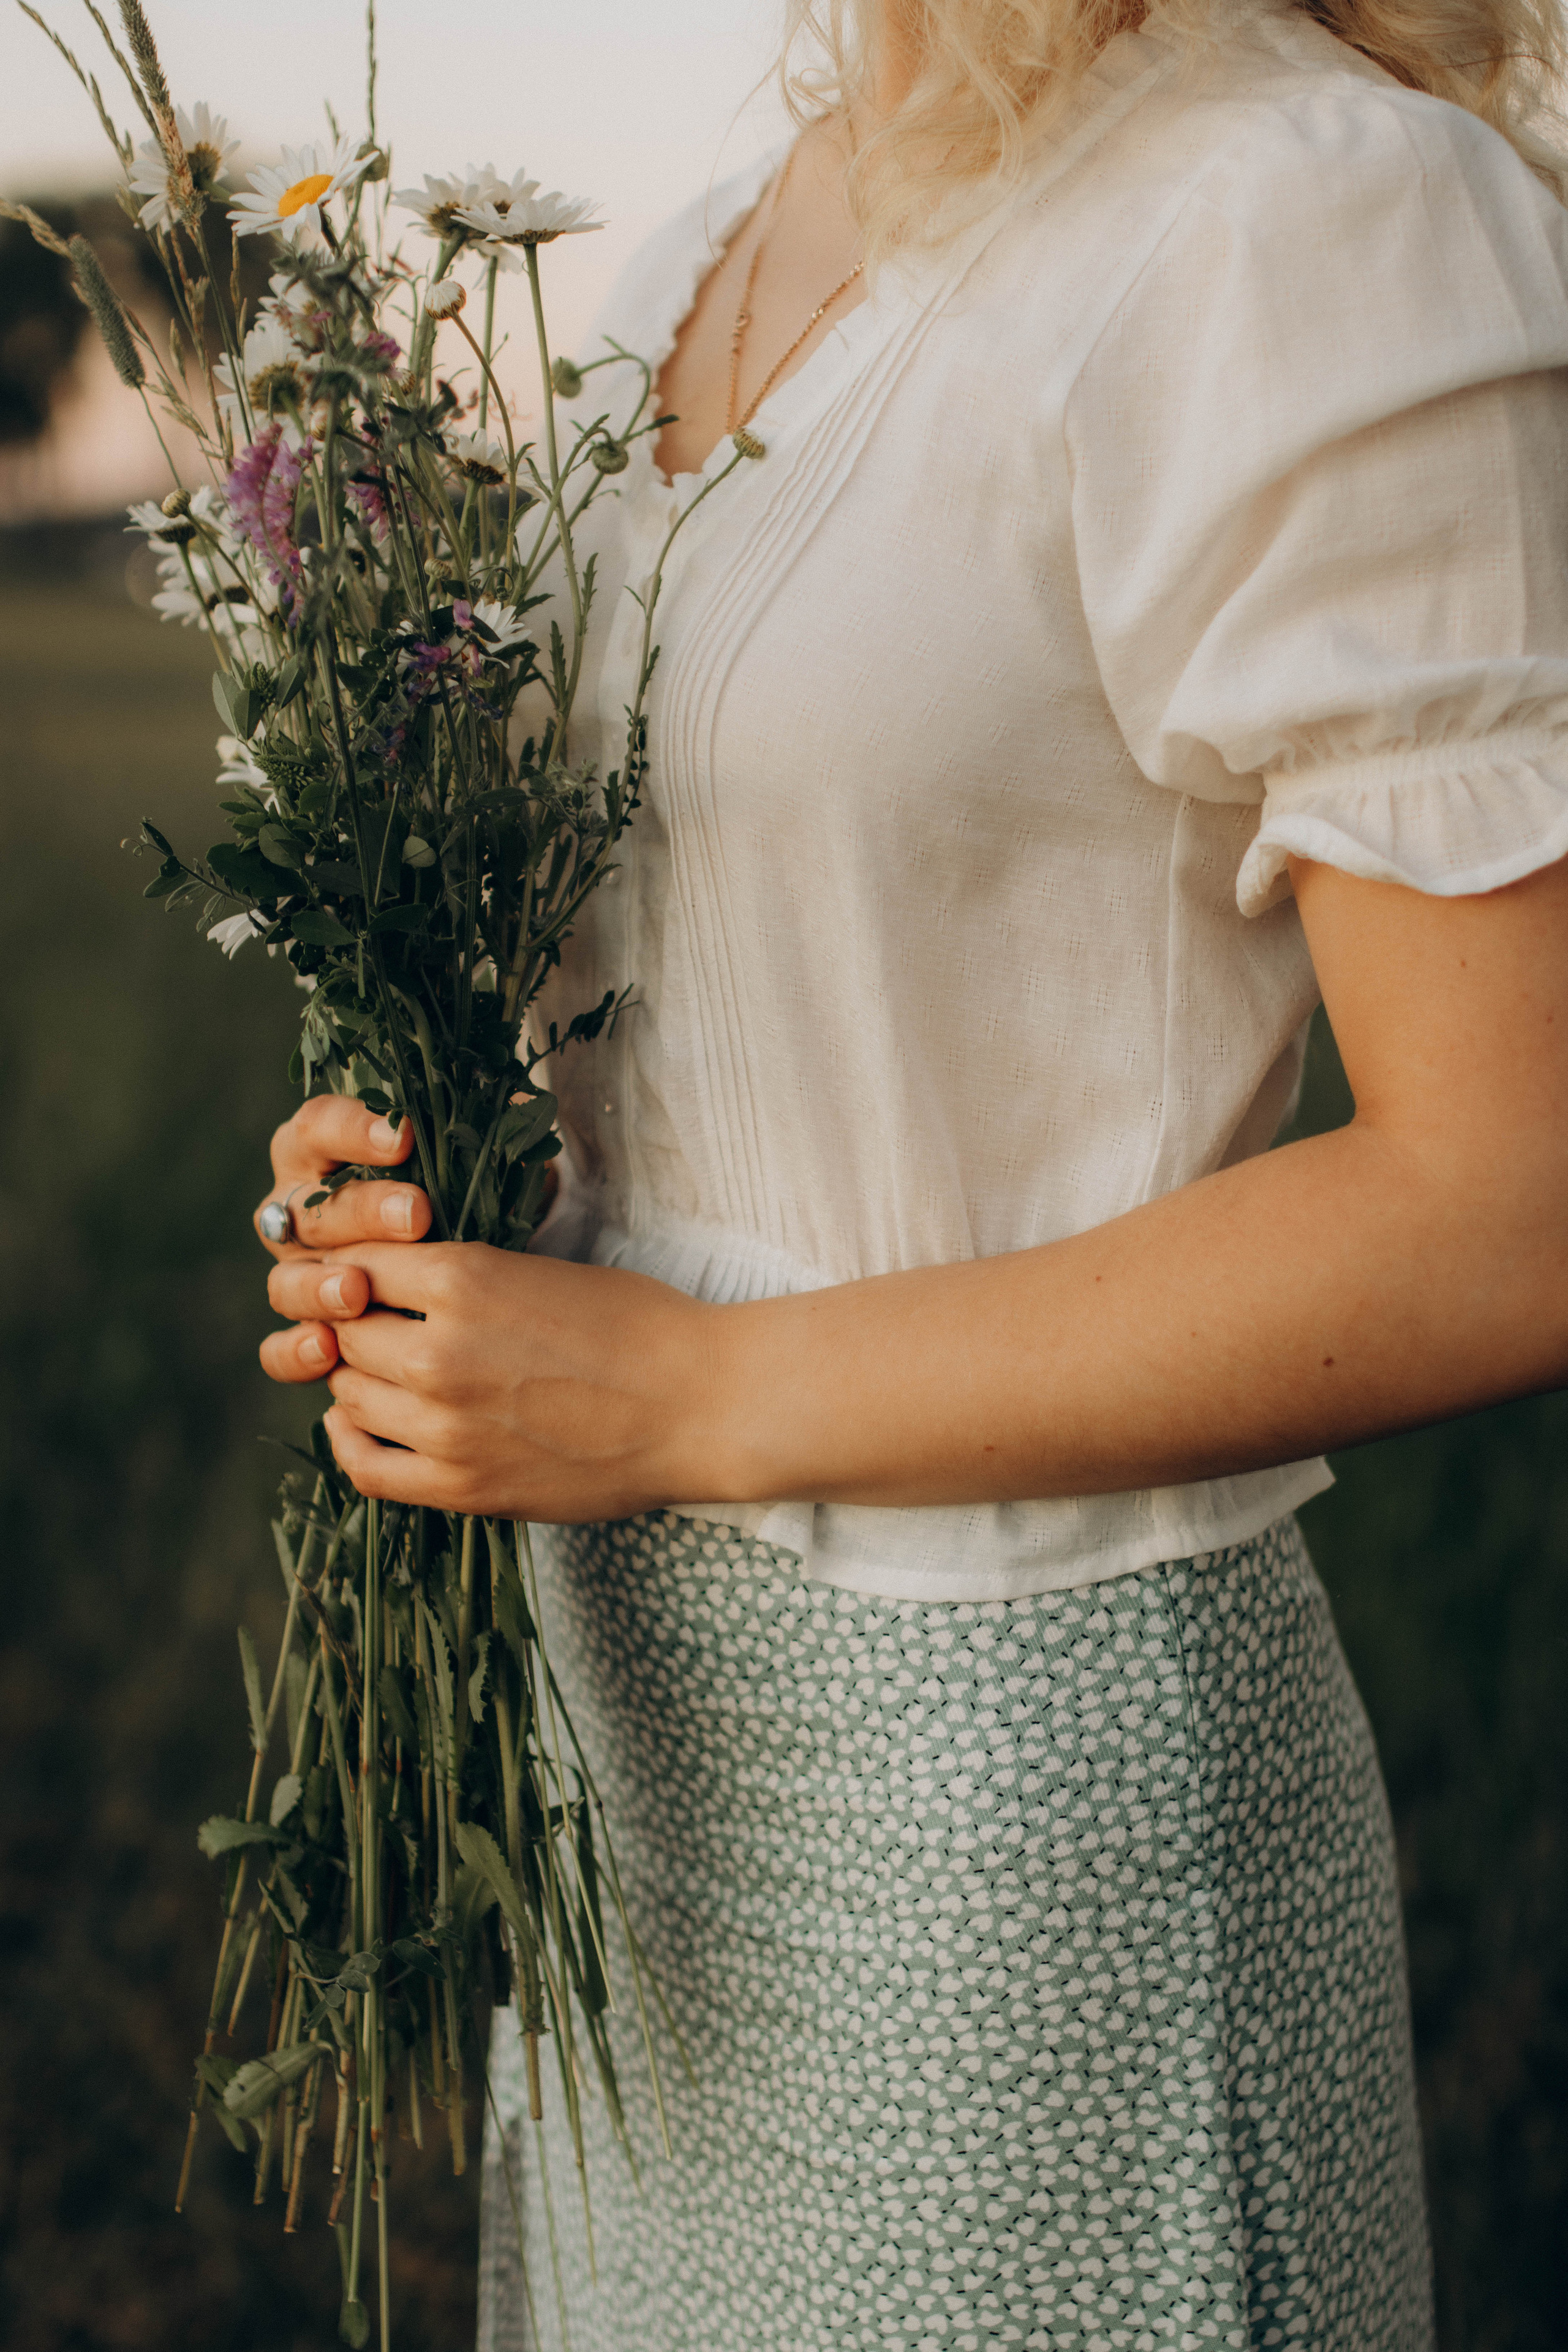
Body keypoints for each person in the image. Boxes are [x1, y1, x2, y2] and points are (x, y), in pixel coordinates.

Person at [255, 0, 1568, 2339]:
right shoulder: (679, 261)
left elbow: (1513, 1201)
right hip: (624, 1758)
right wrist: (435, 1213)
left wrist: (687, 1399)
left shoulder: (1298, 215)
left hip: (1014, 1795)